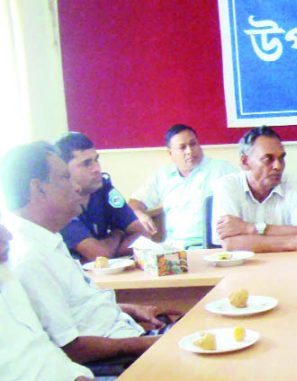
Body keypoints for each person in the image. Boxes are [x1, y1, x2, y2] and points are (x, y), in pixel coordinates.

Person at [0, 142, 175, 368]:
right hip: (115, 362)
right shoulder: (30, 256)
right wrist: (151, 343)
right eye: (65, 178)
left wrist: (130, 309)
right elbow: (73, 348)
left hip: (126, 336)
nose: (75, 187)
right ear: (38, 189)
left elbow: (74, 310)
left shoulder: (47, 238)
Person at [0, 210, 95, 381]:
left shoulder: (6, 276)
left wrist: (77, 375)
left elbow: (41, 348)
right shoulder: (28, 259)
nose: (8, 236)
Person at [211, 127, 297, 252]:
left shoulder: (293, 183)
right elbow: (231, 244)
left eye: (281, 158)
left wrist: (249, 228)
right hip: (243, 268)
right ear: (245, 161)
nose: (278, 166)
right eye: (268, 159)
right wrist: (294, 242)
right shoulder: (227, 185)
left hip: (290, 265)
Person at [128, 124, 235, 248]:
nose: (189, 151)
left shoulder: (221, 169)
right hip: (174, 248)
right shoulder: (163, 175)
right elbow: (134, 202)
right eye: (182, 147)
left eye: (193, 144)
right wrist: (140, 214)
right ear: (170, 153)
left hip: (211, 247)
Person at [55, 132, 147, 262]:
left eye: (96, 160)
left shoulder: (103, 188)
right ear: (65, 170)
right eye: (86, 163)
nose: (96, 168)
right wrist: (118, 234)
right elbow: (99, 255)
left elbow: (143, 236)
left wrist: (108, 250)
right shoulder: (59, 202)